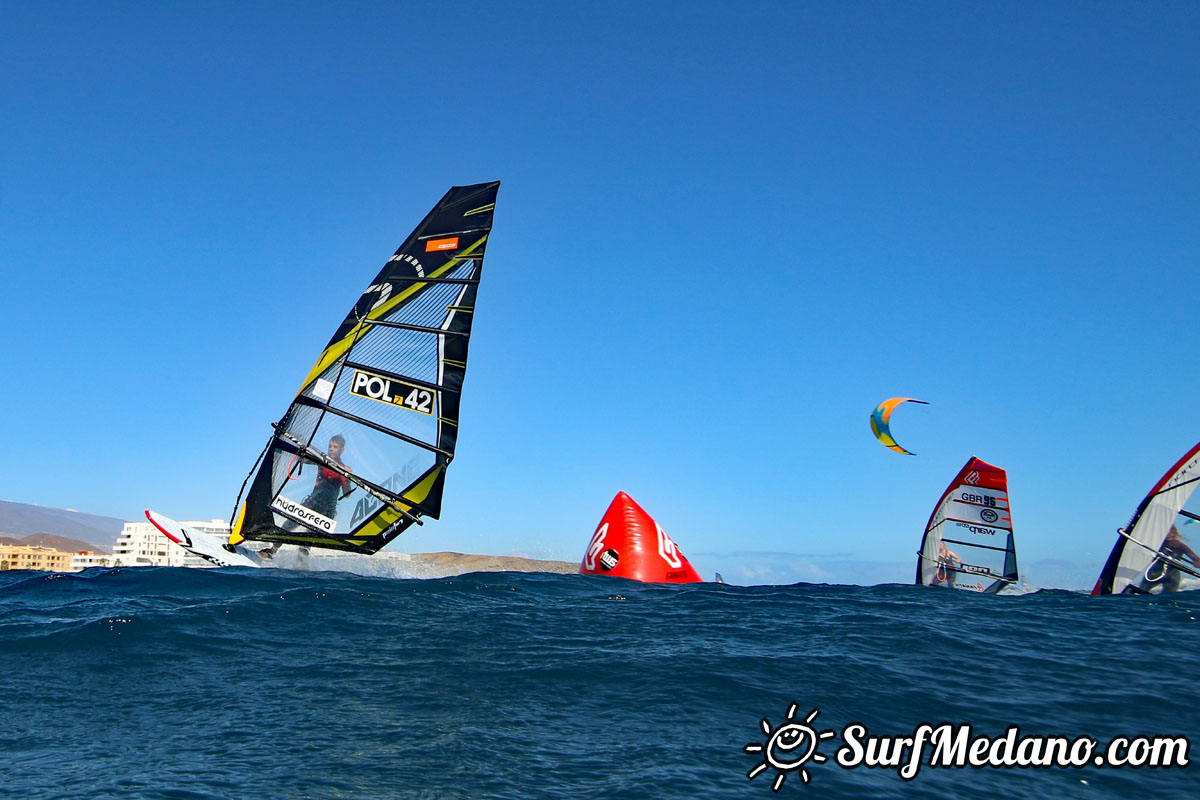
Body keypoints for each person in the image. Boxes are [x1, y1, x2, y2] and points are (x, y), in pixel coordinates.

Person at [261, 434, 353, 558]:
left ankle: (300, 564)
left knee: (308, 538)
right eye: (330, 446)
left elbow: (346, 494)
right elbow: (303, 459)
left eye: (335, 447)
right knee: (288, 525)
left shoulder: (343, 468)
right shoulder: (323, 461)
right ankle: (272, 550)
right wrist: (300, 448)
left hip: (327, 510)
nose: (331, 449)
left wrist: (347, 477)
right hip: (313, 503)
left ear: (342, 450)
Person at [1148, 525, 1200, 593]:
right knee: (1140, 591)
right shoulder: (1157, 544)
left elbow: (1196, 559)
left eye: (1167, 531)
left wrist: (1197, 563)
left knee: (1168, 596)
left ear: (1173, 533)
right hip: (1155, 573)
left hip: (1172, 576)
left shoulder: (1180, 545)